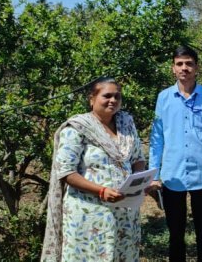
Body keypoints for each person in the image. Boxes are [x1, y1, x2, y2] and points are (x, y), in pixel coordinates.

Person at [41, 77, 145, 261]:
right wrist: (102, 190)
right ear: (92, 99)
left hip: (125, 213)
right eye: (107, 96)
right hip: (89, 213)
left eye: (117, 96)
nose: (113, 100)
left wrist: (137, 182)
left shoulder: (126, 124)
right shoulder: (77, 128)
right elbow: (65, 172)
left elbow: (138, 159)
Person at [147, 46, 202, 262]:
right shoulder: (164, 98)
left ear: (197, 68)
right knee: (175, 233)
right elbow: (157, 139)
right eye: (180, 64)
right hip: (173, 176)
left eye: (189, 63)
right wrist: (154, 175)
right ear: (173, 68)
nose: (184, 68)